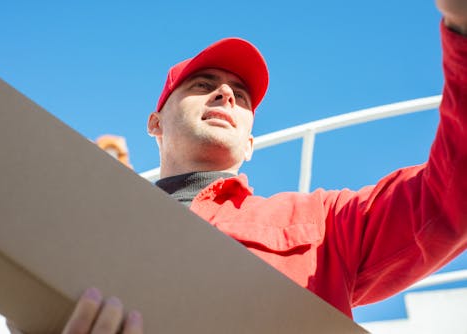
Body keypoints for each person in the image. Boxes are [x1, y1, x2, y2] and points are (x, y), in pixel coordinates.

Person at [28, 1, 467, 333]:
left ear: (251, 142)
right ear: (155, 123)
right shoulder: (97, 232)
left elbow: (447, 199)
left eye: (240, 94)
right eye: (203, 85)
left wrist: (461, 27)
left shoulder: (322, 222)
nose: (225, 94)